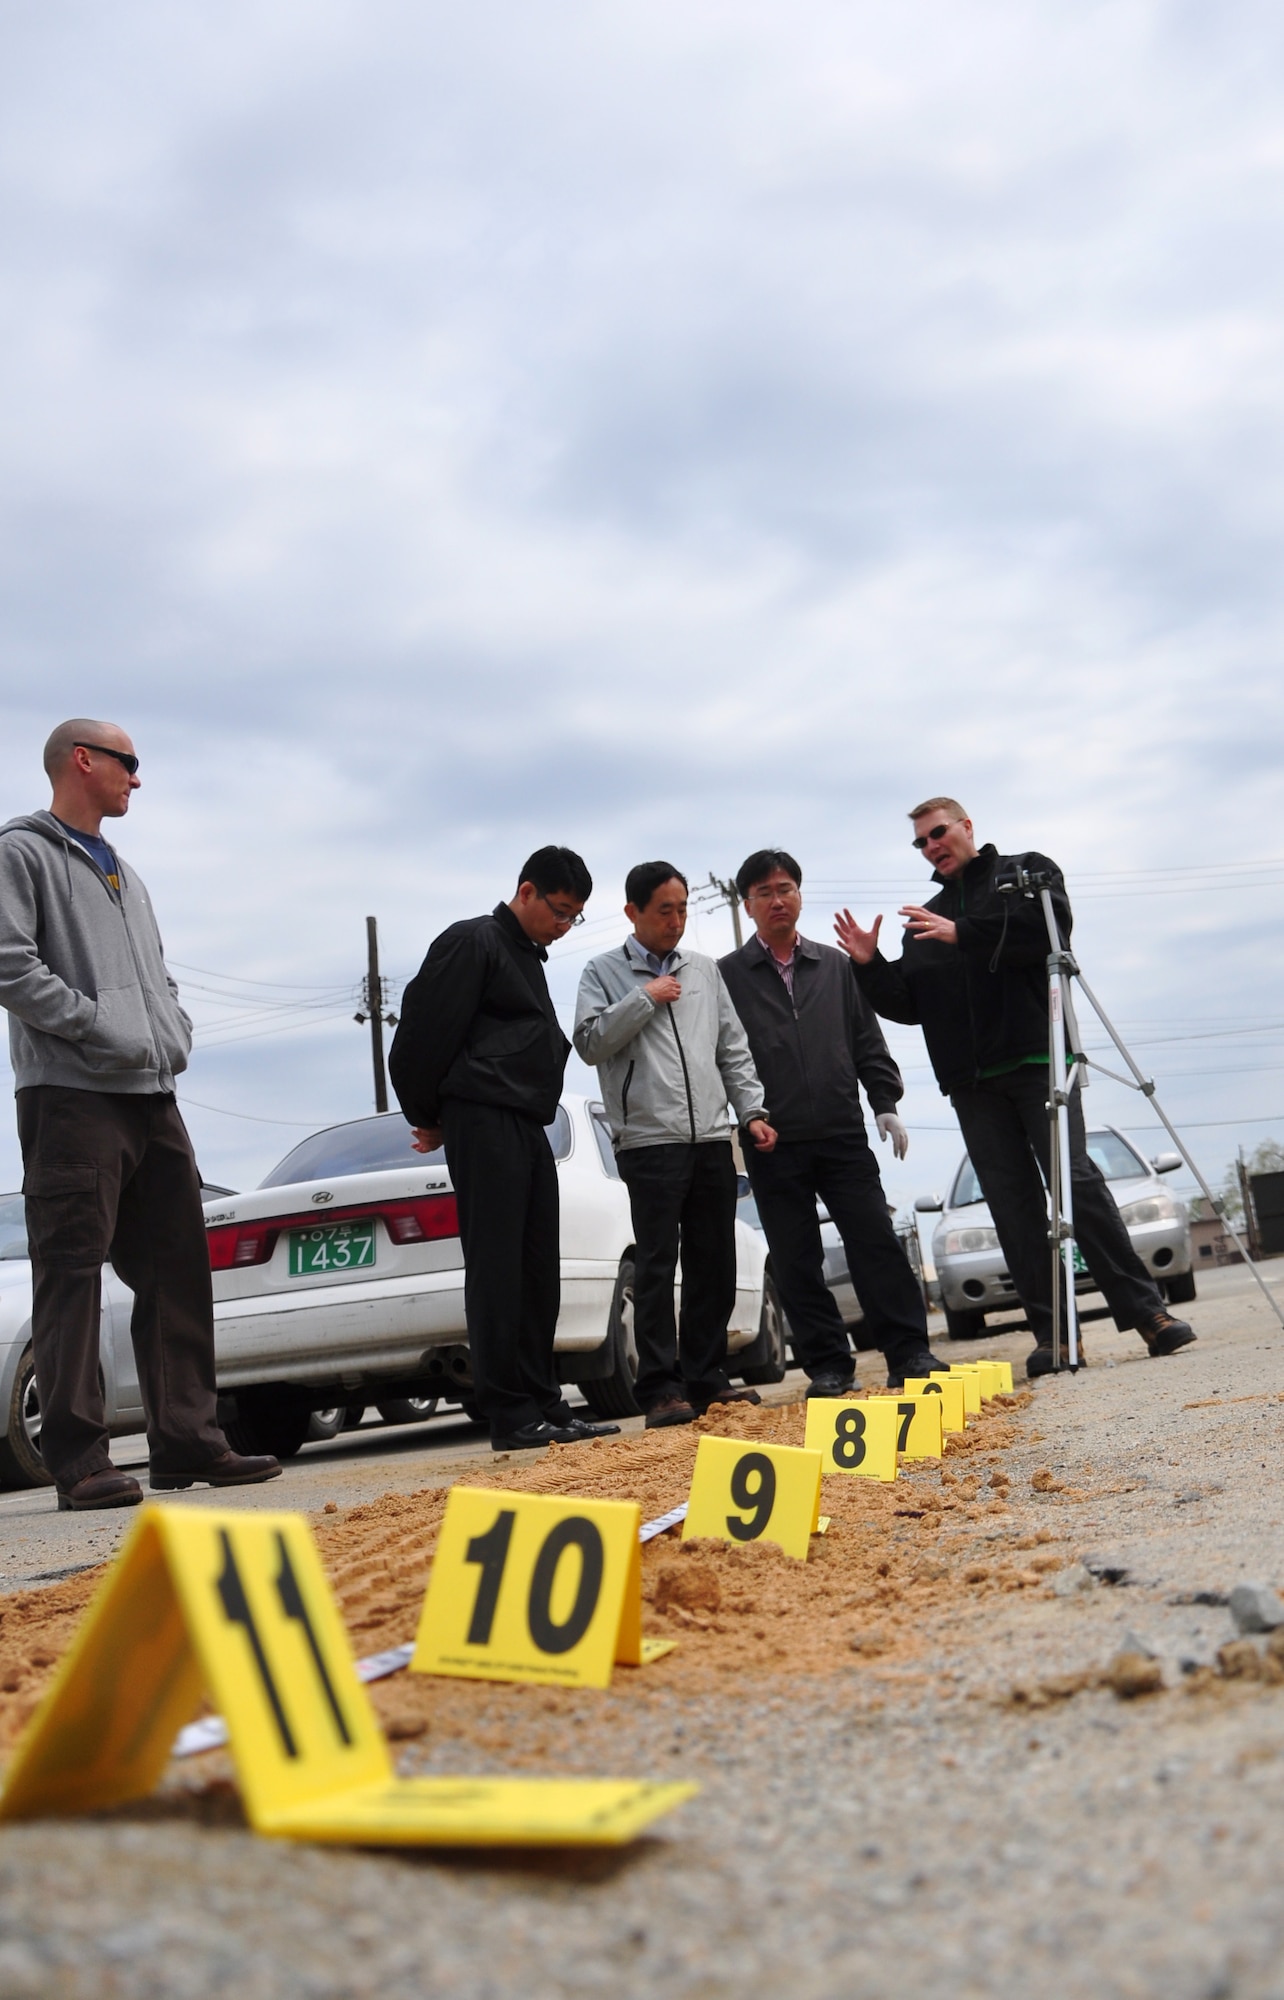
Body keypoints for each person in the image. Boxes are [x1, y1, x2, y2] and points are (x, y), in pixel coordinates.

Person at [0, 721, 282, 1510]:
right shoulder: (21, 852)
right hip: (70, 1095)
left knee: (177, 1270)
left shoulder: (125, 872)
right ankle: (80, 1461)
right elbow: (7, 961)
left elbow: (159, 977)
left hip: (152, 1095)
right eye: (129, 763)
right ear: (82, 761)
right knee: (71, 1276)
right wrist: (100, 1024)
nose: (138, 779)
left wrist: (170, 1031)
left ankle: (187, 1440)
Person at [835, 796, 1196, 1379]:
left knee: (1072, 1181)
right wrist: (870, 965)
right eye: (921, 842)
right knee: (1012, 1205)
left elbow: (1050, 935)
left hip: (1038, 1061)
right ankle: (1053, 1336)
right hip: (971, 1084)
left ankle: (1148, 1314)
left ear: (967, 827)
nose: (932, 846)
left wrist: (965, 933)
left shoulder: (1027, 872)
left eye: (938, 833)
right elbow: (909, 1004)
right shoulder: (922, 921)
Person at [388, 847, 621, 1452]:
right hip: (484, 1119)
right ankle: (509, 1412)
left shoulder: (524, 956)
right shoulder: (474, 943)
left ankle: (544, 1400)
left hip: (525, 1122)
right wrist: (431, 1115)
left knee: (536, 1268)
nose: (564, 925)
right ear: (526, 892)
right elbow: (421, 1034)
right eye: (560, 911)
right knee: (497, 1268)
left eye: (575, 917)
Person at [718, 848, 947, 1394]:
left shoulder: (837, 965)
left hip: (843, 1132)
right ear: (746, 904)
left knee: (874, 1240)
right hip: (772, 1139)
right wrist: (744, 1117)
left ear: (799, 895)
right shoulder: (726, 977)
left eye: (787, 888)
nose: (778, 900)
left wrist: (884, 1103)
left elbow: (866, 1040)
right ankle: (827, 1365)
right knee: (796, 1259)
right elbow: (722, 1056)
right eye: (765, 892)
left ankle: (909, 1352)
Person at [574, 861, 778, 1427]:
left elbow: (731, 1047)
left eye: (683, 908)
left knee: (714, 1260)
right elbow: (589, 1043)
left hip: (712, 1136)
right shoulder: (602, 972)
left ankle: (708, 1377)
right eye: (664, 910)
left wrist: (752, 1111)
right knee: (658, 1265)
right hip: (648, 1142)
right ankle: (661, 1388)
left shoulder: (706, 971)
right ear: (632, 912)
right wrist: (645, 997)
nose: (677, 920)